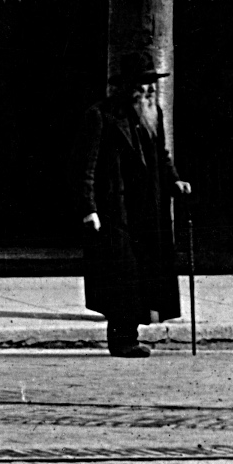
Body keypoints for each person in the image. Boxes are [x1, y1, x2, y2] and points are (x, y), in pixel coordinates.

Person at [79, 62, 189, 358]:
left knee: (143, 273)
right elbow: (87, 167)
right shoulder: (101, 115)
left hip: (148, 209)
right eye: (142, 86)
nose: (148, 91)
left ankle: (133, 333)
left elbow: (162, 155)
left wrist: (175, 180)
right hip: (116, 209)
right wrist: (89, 207)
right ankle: (122, 339)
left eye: (152, 86)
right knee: (122, 277)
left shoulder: (154, 115)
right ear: (127, 89)